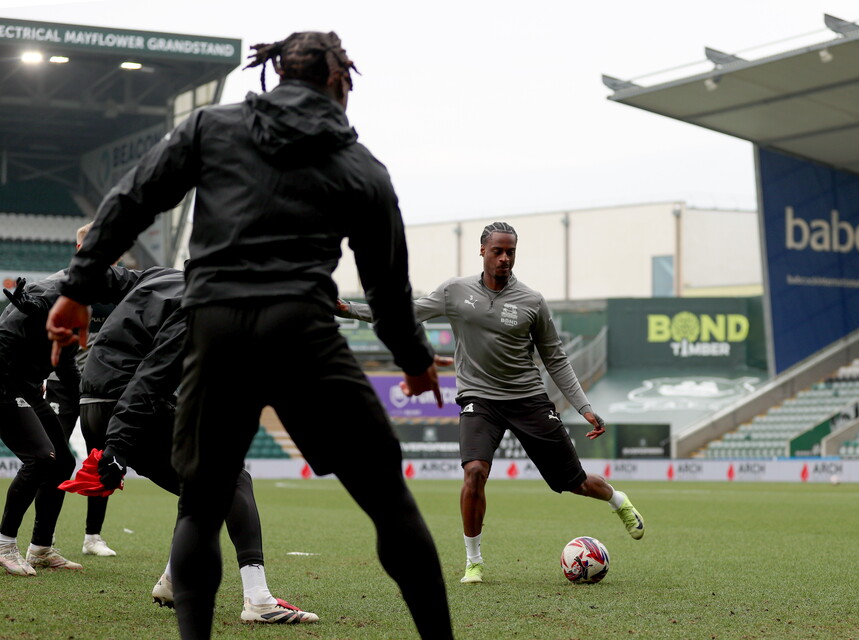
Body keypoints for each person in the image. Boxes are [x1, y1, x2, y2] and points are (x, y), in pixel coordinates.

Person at [47, 31, 453, 640]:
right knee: (389, 501)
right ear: (339, 81)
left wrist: (77, 289)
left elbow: (131, 200)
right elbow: (387, 283)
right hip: (303, 334)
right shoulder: (360, 165)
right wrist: (415, 360)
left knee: (201, 504)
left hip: (216, 332)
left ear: (277, 73)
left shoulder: (210, 128)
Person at [337, 221, 646, 585]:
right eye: (497, 251)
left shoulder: (532, 301)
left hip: (528, 398)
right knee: (474, 472)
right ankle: (474, 561)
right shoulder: (455, 291)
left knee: (573, 482)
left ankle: (617, 500)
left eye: (510, 252)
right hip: (478, 398)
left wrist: (584, 407)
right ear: (482, 250)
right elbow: (405, 312)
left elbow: (555, 359)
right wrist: (350, 309)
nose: (504, 258)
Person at [75, 267, 317, 623]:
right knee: (232, 479)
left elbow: (107, 278)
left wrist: (82, 267)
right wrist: (118, 445)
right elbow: (151, 377)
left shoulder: (161, 276)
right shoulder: (203, 304)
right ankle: (258, 600)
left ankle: (174, 579)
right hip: (126, 404)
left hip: (93, 403)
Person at [0, 267, 144, 576]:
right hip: (5, 384)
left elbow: (65, 366)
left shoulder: (80, 307)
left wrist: (92, 397)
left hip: (28, 387)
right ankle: (4, 545)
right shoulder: (51, 294)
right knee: (40, 458)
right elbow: (7, 334)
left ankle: (40, 549)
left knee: (63, 461)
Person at [44, 221, 120, 558]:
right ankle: (43, 538)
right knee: (55, 459)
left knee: (101, 458)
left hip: (99, 389)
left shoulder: (122, 289)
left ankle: (93, 537)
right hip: (62, 384)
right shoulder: (64, 285)